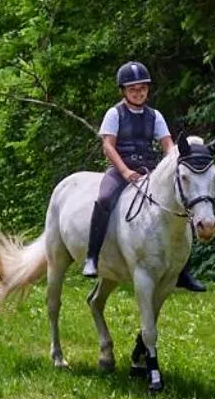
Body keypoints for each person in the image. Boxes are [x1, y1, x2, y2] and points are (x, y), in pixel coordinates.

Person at [81, 61, 203, 290]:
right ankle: (92, 257)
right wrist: (125, 171)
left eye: (142, 89)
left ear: (148, 89)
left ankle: (184, 270)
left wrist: (174, 164)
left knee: (181, 204)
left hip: (148, 169)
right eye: (133, 89)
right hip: (120, 169)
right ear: (124, 91)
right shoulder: (114, 113)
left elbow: (168, 145)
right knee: (104, 199)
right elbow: (108, 146)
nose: (138, 93)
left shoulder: (155, 116)